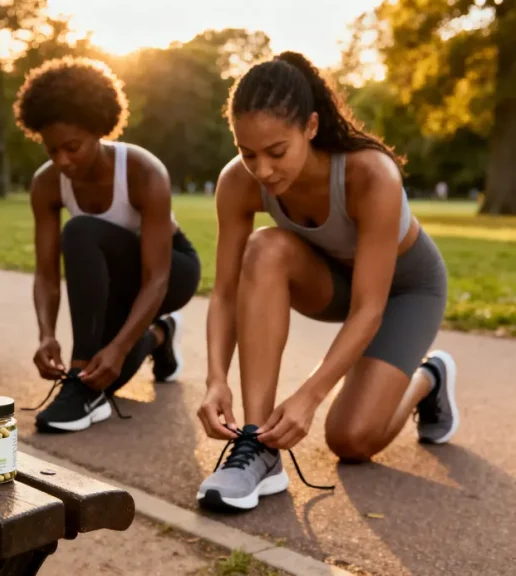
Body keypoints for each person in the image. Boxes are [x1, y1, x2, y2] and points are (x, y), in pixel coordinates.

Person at [196, 52, 458, 511]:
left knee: (350, 439)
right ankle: (258, 449)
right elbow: (224, 292)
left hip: (402, 291)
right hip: (329, 283)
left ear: (311, 127)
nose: (263, 169)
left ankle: (428, 379)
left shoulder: (369, 174)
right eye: (247, 152)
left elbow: (369, 308)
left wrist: (308, 397)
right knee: (264, 247)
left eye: (277, 152)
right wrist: (215, 379)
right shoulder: (237, 182)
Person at [13, 57, 202, 432]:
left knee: (80, 230)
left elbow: (157, 277)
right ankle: (158, 336)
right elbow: (47, 274)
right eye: (52, 150)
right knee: (107, 376)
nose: (62, 161)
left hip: (170, 272)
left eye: (73, 147)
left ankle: (81, 373)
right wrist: (46, 335)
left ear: (99, 130)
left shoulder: (143, 171)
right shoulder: (47, 184)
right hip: (115, 284)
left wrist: (115, 347)